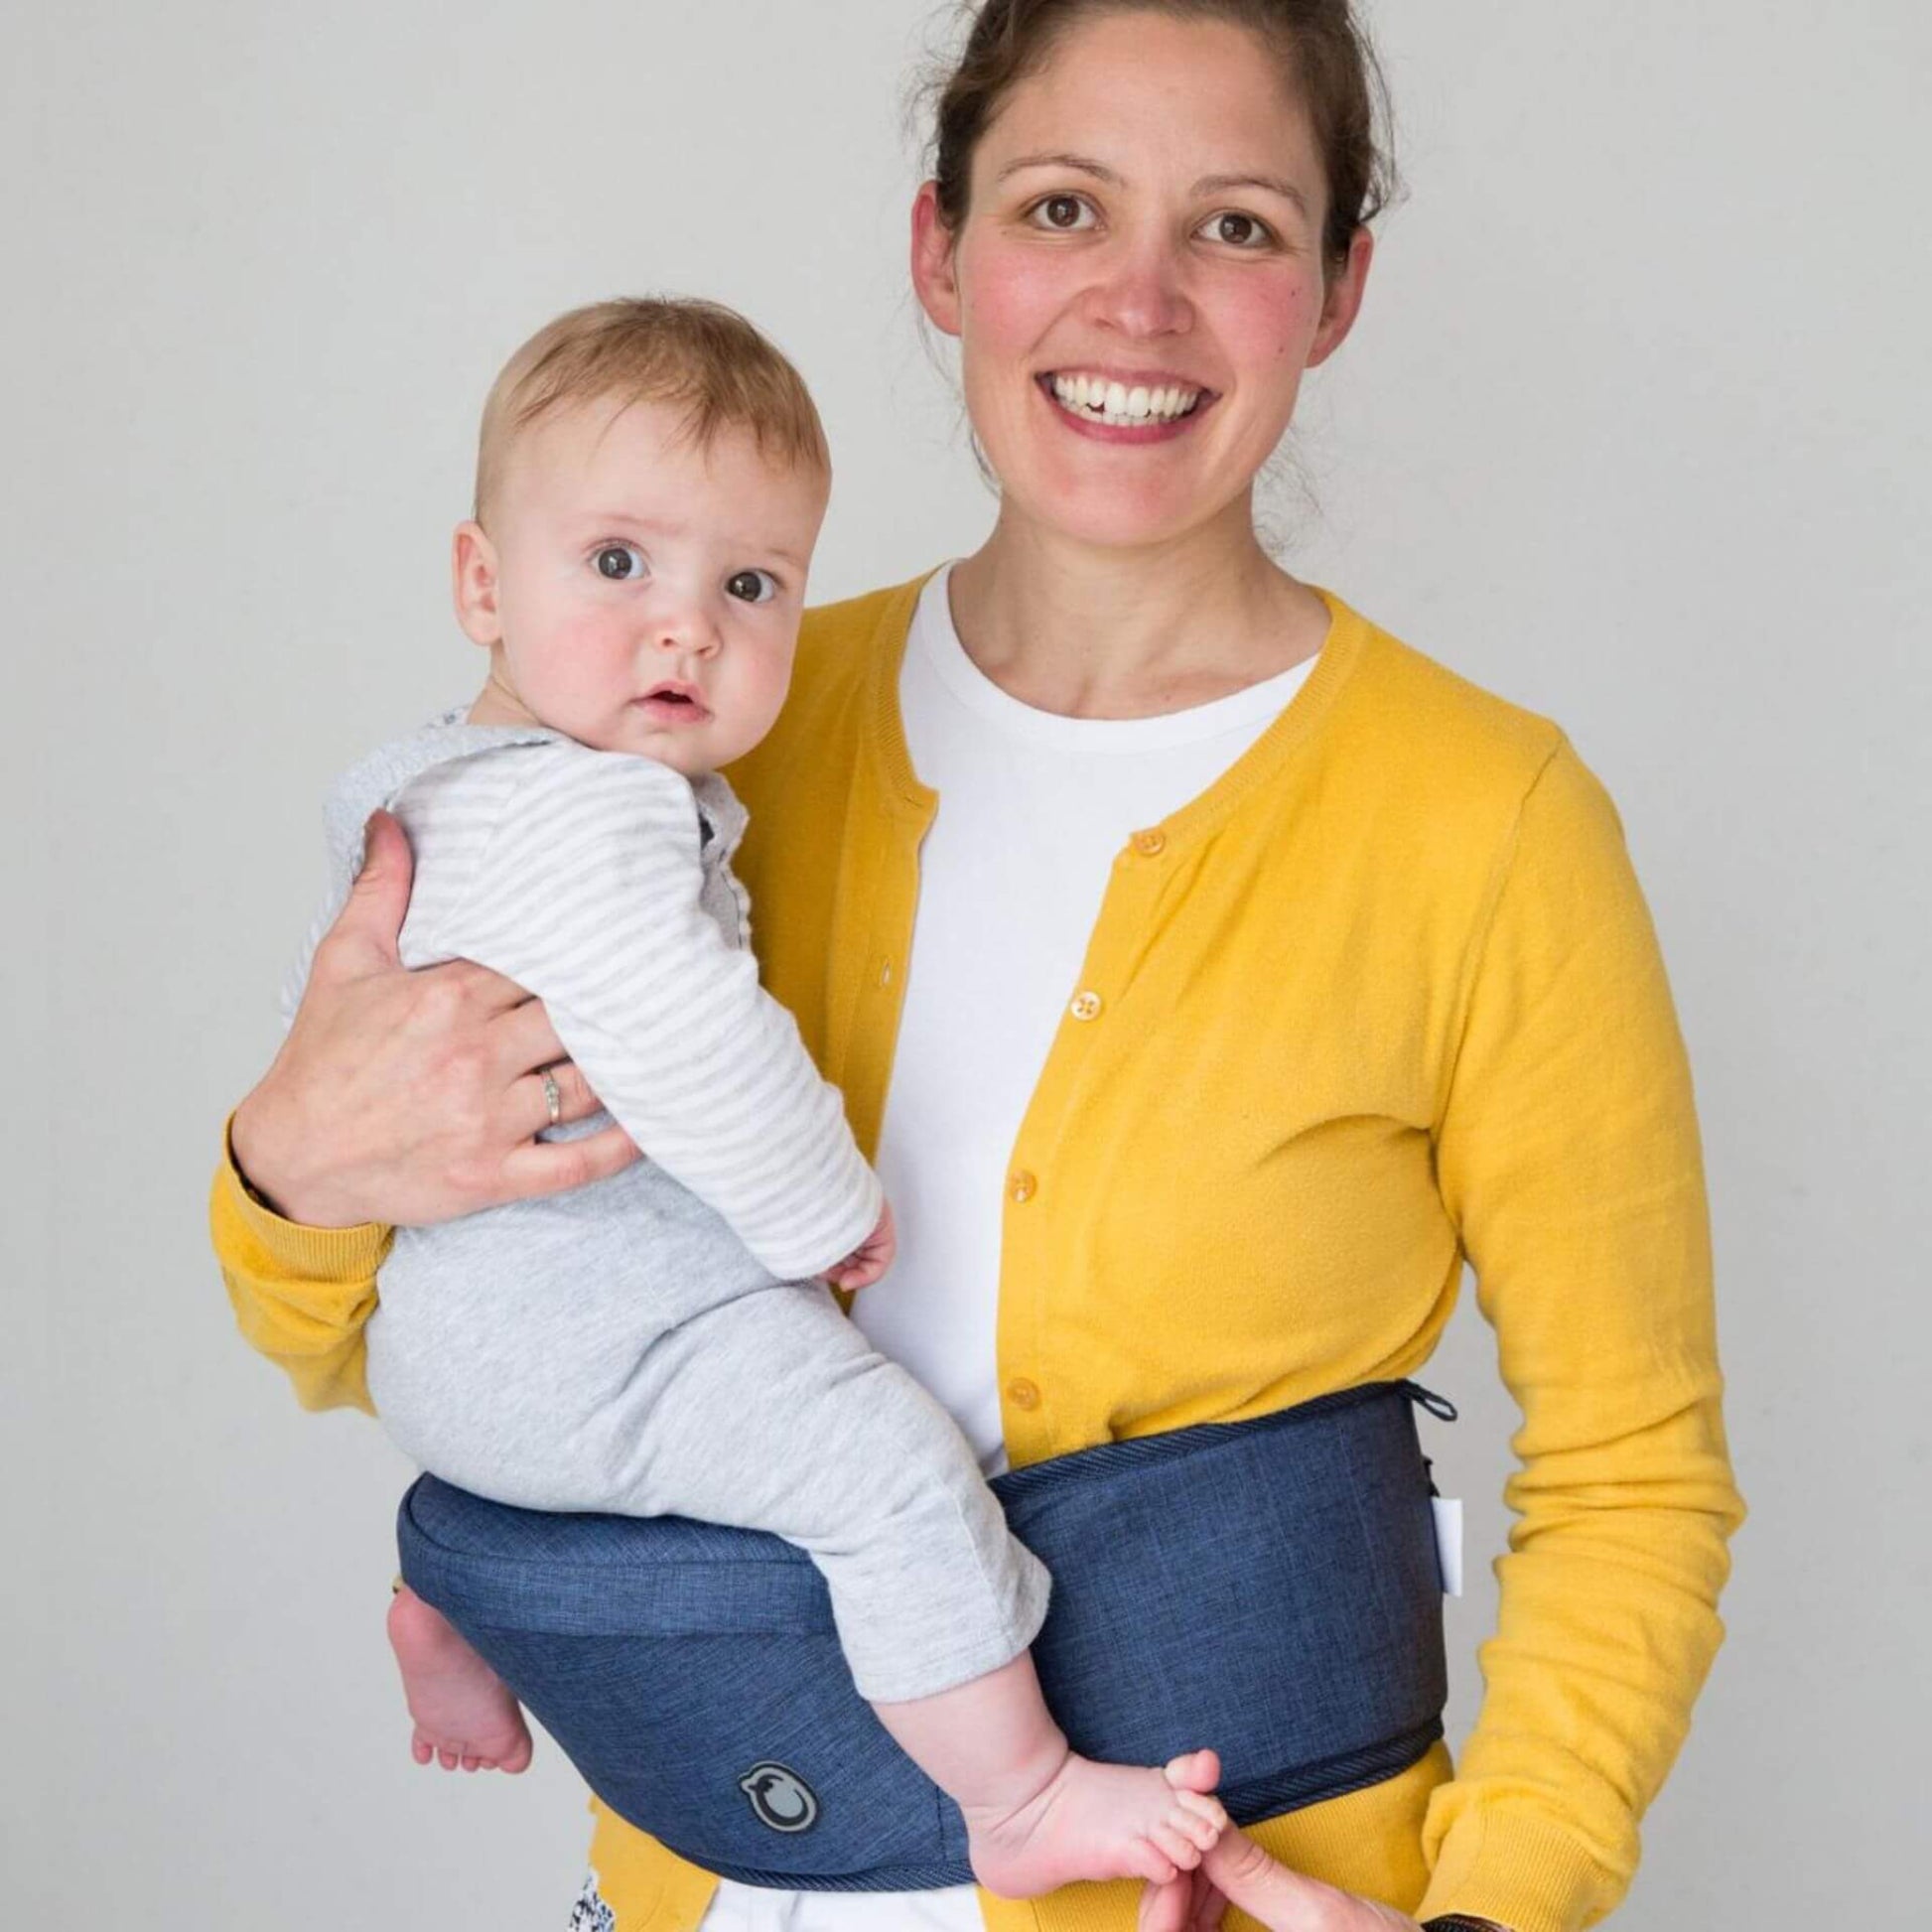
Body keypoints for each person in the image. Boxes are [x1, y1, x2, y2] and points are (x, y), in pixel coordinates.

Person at [212, 4, 1745, 1929]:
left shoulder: (1483, 823)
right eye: (1060, 205)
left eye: (1240, 228)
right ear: (942, 252)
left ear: (1340, 287)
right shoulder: (701, 724)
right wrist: (286, 1164)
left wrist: (1492, 1908)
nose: (1139, 300)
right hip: (706, 1876)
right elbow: (344, 1318)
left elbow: (1633, 1473)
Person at [282, 292, 1230, 1900]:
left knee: (629, 1494)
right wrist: (824, 1210)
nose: (686, 627)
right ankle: (1016, 1793)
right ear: (478, 582)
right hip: (602, 1337)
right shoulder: (602, 818)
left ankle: (457, 1596)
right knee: (882, 1467)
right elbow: (687, 1031)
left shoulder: (429, 784)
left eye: (749, 582)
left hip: (452, 1363)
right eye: (617, 565)